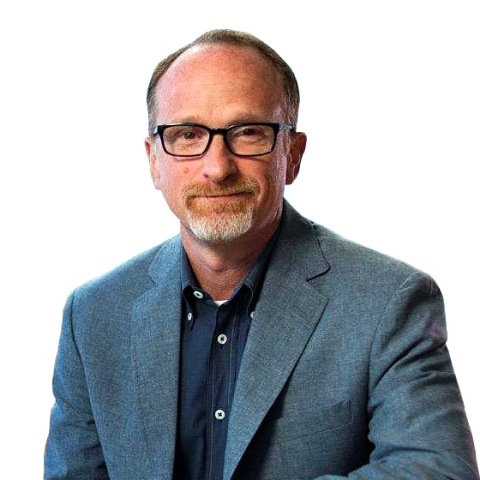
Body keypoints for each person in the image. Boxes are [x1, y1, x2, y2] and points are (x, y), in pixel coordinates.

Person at [44, 29, 479, 480]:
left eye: (248, 133)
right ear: (155, 160)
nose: (217, 167)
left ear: (293, 154)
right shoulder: (93, 316)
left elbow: (440, 471)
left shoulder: (387, 302)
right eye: (187, 134)